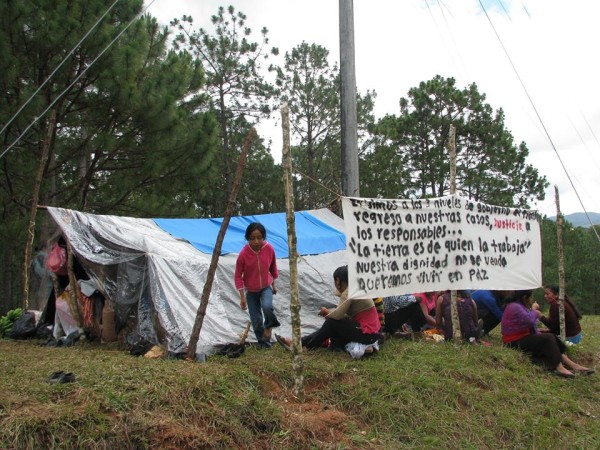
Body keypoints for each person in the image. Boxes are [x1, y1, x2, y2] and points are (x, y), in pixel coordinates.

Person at [275, 265, 381, 356]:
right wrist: (330, 313)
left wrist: (327, 312)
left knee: (331, 322)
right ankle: (299, 342)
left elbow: (338, 315)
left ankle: (305, 346)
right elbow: (343, 315)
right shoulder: (354, 289)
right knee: (332, 324)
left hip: (367, 333)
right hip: (369, 333)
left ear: (338, 281)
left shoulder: (349, 292)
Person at [501, 290, 593, 378]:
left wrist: (539, 332)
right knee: (547, 339)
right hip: (513, 341)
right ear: (525, 297)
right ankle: (559, 367)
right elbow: (529, 321)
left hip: (522, 337)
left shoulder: (519, 305)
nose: (531, 299)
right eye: (530, 297)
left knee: (551, 337)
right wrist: (534, 309)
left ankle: (573, 365)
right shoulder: (514, 306)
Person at [234, 222, 280, 348]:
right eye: (252, 238)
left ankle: (270, 325)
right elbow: (238, 276)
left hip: (266, 287)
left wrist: (274, 285)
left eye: (259, 237)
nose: (256, 241)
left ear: (263, 237)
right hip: (251, 291)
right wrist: (242, 296)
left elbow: (272, 267)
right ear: (247, 238)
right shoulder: (243, 254)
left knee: (267, 307)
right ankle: (264, 343)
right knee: (256, 320)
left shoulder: (269, 249)